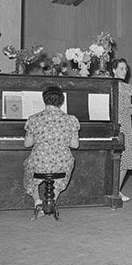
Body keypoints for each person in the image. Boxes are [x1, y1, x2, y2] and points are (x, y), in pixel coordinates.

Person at [22, 85, 80, 217]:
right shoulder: (71, 119)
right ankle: (52, 201)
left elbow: (27, 144)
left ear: (44, 100)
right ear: (61, 101)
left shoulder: (33, 119)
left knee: (28, 166)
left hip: (39, 162)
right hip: (62, 163)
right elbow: (75, 145)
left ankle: (37, 202)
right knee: (65, 167)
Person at [112, 58, 132, 202]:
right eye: (121, 68)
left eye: (125, 69)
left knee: (126, 160)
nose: (124, 71)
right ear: (114, 70)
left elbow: (127, 108)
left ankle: (116, 189)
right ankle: (112, 190)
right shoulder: (109, 85)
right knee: (113, 159)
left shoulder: (128, 87)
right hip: (114, 124)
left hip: (126, 125)